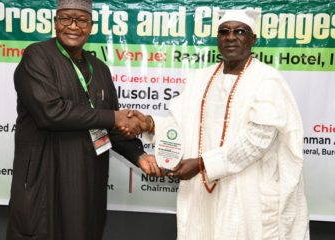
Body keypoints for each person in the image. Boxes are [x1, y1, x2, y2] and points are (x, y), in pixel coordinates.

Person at [124, 9, 310, 240]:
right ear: (218, 39)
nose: (231, 37)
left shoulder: (267, 80)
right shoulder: (200, 77)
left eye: (239, 31)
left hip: (246, 191)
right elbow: (180, 124)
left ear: (253, 39)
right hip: (201, 192)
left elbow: (256, 140)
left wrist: (202, 164)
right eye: (224, 31)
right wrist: (150, 124)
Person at [5, 0, 161, 239]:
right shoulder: (37, 56)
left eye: (82, 20)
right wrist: (114, 116)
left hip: (88, 182)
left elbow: (112, 126)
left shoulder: (99, 68)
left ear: (91, 26)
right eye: (66, 18)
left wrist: (138, 155)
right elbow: (50, 113)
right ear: (56, 22)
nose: (74, 26)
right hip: (45, 178)